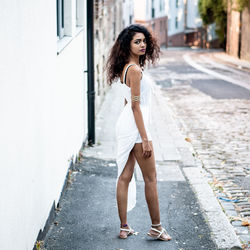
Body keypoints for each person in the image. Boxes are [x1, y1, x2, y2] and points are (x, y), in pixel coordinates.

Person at [106, 24, 171, 241]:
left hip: (126, 124)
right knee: (150, 178)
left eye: (144, 41)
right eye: (137, 41)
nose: (142, 45)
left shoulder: (126, 68)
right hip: (135, 127)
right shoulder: (134, 70)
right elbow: (135, 107)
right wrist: (145, 139)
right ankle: (156, 227)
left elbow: (128, 101)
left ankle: (124, 227)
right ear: (128, 45)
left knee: (124, 176)